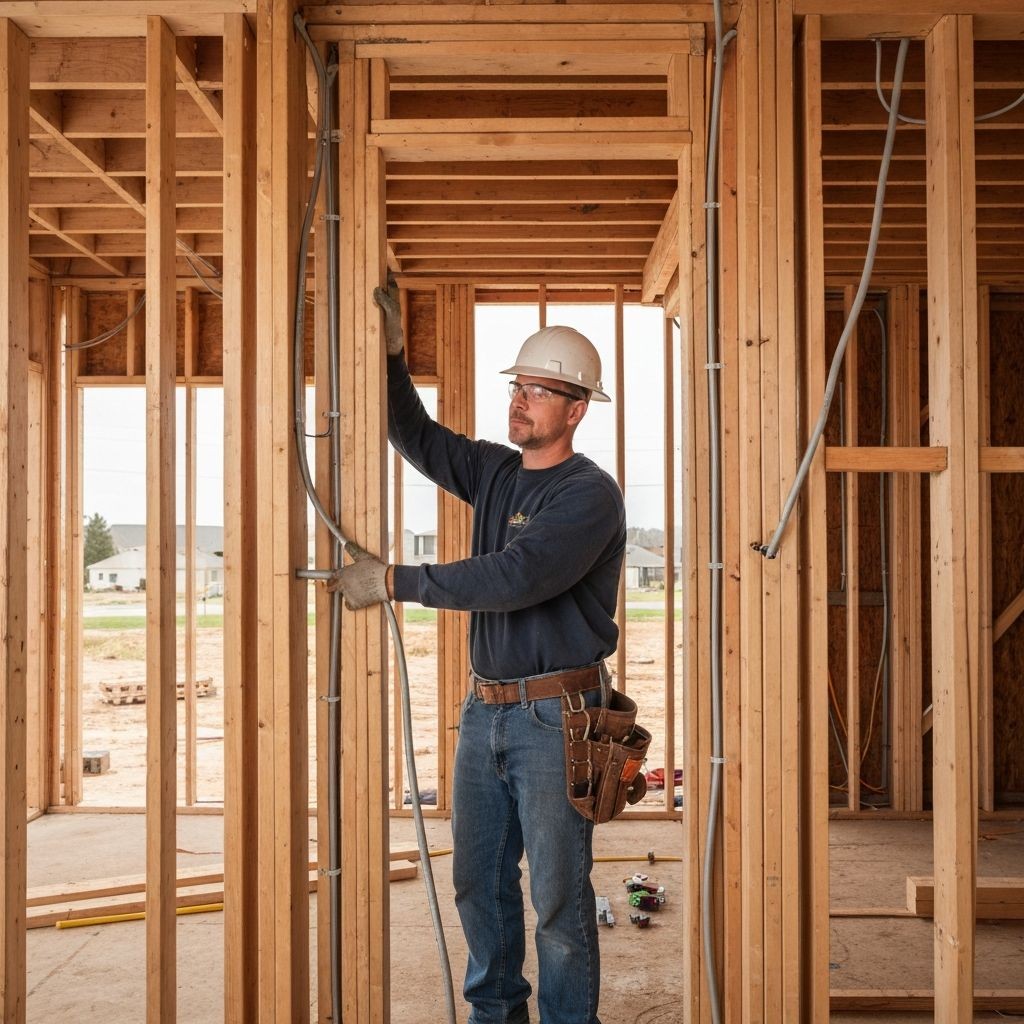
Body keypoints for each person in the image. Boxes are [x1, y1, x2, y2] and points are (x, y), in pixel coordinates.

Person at [330, 284, 626, 1024]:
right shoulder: (495, 471)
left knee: (557, 900)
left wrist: (395, 581)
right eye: (518, 386)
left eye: (539, 390)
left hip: (559, 719)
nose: (520, 400)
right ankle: (495, 1017)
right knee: (478, 883)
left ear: (577, 409)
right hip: (485, 710)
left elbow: (516, 576)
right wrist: (393, 359)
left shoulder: (589, 494)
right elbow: (414, 435)